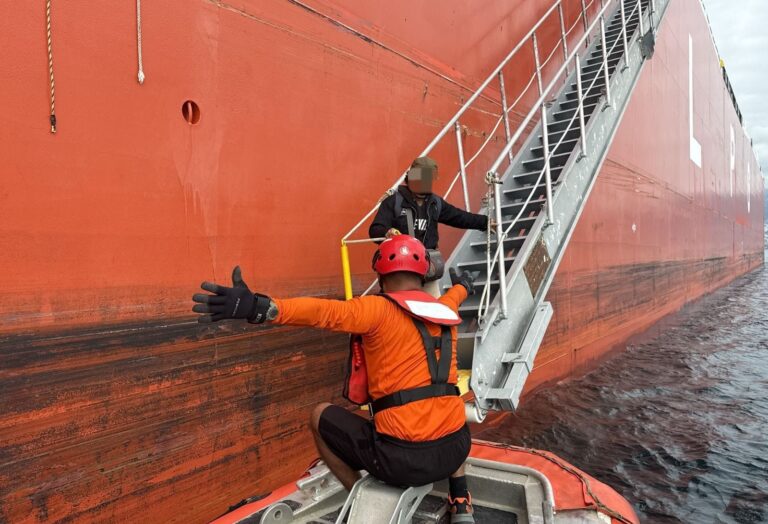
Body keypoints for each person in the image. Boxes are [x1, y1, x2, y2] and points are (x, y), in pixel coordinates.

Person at [192, 235, 477, 523]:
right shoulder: (446, 310)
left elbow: (323, 313)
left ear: (380, 275)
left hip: (403, 463)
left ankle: (357, 494)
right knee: (450, 403)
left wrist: (259, 307)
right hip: (455, 450)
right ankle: (462, 501)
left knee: (319, 416)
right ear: (423, 273)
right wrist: (464, 285)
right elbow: (455, 296)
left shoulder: (376, 309)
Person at [368, 156, 491, 296]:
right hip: (400, 274)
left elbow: (459, 217)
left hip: (427, 271)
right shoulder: (393, 202)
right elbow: (375, 229)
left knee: (433, 313)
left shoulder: (435, 204)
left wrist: (485, 222)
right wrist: (387, 232)